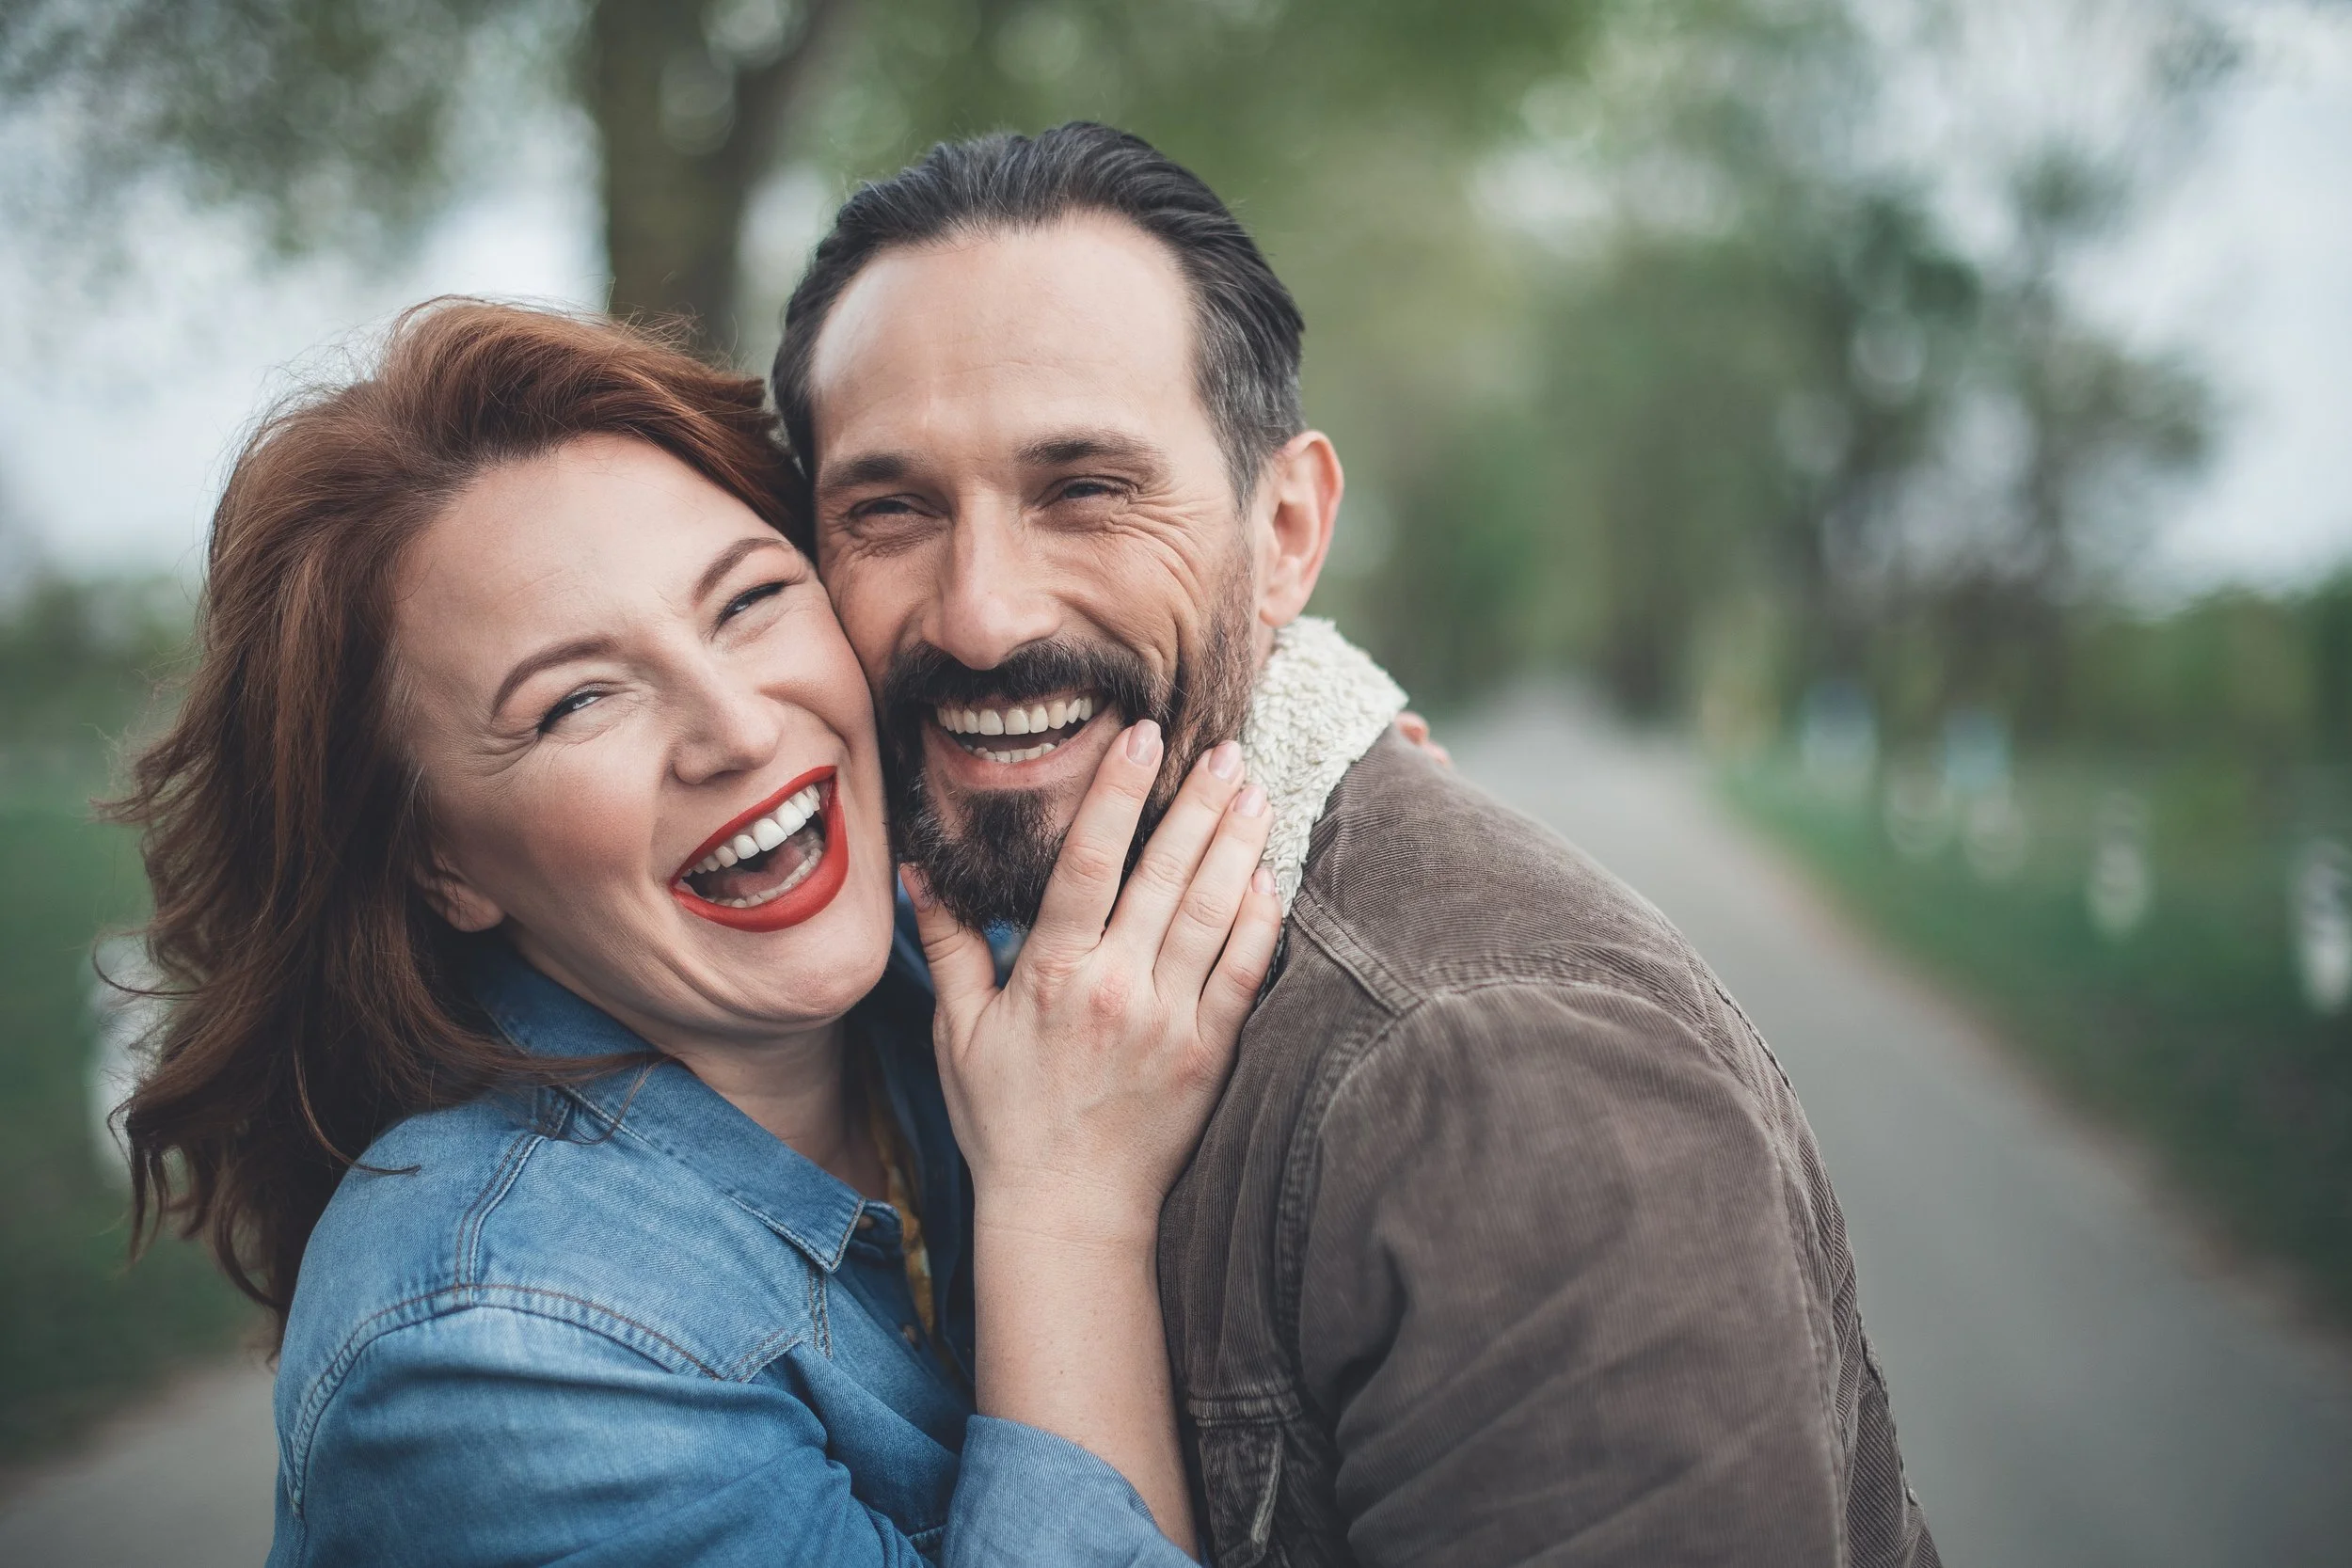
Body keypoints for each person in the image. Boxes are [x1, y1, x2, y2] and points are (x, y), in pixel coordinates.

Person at [779, 122, 1941, 1566]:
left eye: (1085, 490)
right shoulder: (924, 940)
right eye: (888, 509)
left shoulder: (1508, 1080)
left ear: (1284, 533)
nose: (981, 614)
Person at [115, 299, 1288, 1565]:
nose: (736, 725)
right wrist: (1066, 1208)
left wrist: (1329, 772)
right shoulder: (497, 1348)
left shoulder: (943, 957)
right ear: (440, 863)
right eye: (578, 699)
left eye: (747, 602)